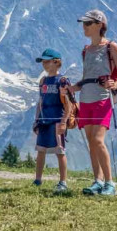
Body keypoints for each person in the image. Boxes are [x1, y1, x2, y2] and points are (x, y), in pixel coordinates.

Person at [70, 10, 117, 196]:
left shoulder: (111, 47)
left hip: (103, 98)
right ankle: (98, 181)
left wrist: (115, 84)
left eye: (88, 23)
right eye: (84, 23)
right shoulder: (85, 51)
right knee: (91, 142)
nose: (84, 27)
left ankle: (110, 183)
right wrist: (72, 88)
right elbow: (86, 78)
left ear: (100, 25)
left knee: (97, 140)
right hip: (85, 98)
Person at [31, 48, 76, 194]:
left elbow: (68, 103)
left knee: (60, 151)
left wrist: (64, 121)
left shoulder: (62, 81)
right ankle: (37, 179)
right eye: (42, 61)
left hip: (57, 119)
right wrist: (36, 119)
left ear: (56, 62)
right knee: (41, 150)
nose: (44, 64)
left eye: (47, 61)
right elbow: (40, 102)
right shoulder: (43, 81)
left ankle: (63, 182)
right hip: (44, 120)